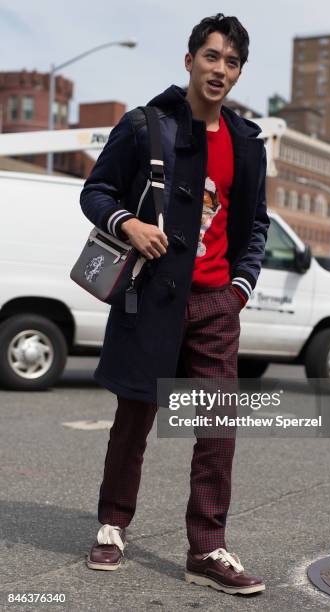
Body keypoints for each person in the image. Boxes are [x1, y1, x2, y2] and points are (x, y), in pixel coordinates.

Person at [79, 13, 269, 596]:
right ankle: (113, 525)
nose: (220, 69)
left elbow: (254, 225)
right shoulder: (144, 127)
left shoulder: (246, 143)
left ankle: (206, 548)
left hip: (215, 304)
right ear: (190, 61)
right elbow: (95, 192)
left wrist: (239, 289)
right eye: (211, 56)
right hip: (151, 298)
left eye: (232, 61)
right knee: (134, 418)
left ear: (238, 73)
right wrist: (128, 223)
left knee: (217, 431)